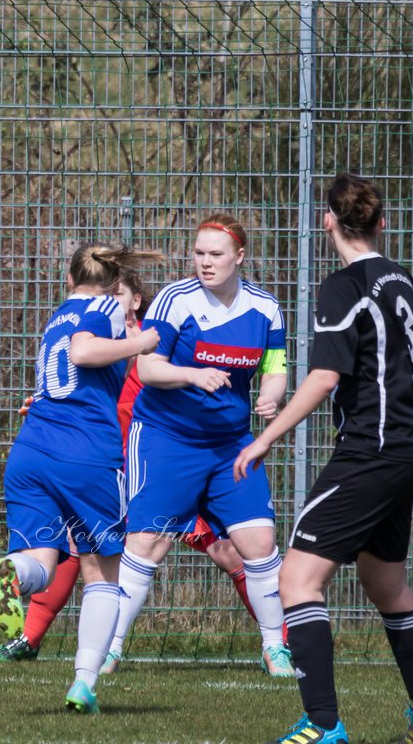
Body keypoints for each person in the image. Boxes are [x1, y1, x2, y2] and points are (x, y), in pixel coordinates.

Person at [236, 175, 413, 744]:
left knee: (297, 579)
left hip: (370, 450)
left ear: (328, 221)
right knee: (386, 583)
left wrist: (264, 438)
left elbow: (325, 377)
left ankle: (323, 725)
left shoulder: (342, 287)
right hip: (409, 446)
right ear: (381, 223)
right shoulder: (403, 279)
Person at [0, 270, 255, 663]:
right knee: (79, 547)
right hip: (105, 460)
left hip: (164, 461)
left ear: (135, 300)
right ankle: (39, 641)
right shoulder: (98, 331)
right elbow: (75, 377)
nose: (107, 297)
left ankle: (278, 643)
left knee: (226, 551)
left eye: (117, 292)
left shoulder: (158, 336)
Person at [106, 214, 293, 677]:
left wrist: (271, 394)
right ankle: (107, 649)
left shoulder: (265, 308)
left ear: (240, 258)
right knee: (147, 542)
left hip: (230, 444)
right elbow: (148, 370)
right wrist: (193, 374)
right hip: (167, 439)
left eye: (216, 254)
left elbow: (275, 367)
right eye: (199, 253)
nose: (205, 263)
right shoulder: (176, 299)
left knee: (260, 541)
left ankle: (276, 649)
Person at [0, 243, 161, 713]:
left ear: (68, 280)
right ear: (110, 286)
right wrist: (141, 342)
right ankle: (84, 683)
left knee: (41, 565)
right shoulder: (103, 306)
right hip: (84, 455)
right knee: (101, 572)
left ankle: (13, 575)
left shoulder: (59, 313)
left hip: (31, 449)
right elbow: (84, 354)